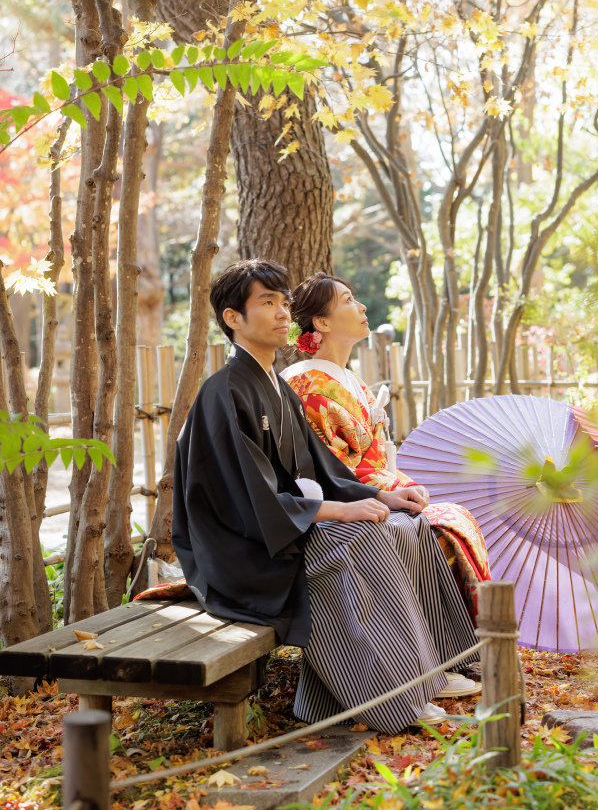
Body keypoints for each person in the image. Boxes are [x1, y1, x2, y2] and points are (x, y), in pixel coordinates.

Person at [172, 259, 478, 732]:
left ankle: (432, 669)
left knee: (408, 525)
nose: (282, 313)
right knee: (358, 539)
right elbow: (246, 498)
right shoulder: (225, 392)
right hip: (241, 549)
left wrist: (380, 497)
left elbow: (322, 467)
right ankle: (393, 697)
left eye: (284, 302)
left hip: (280, 526)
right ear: (233, 318)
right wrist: (340, 509)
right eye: (267, 303)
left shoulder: (277, 387)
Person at [282, 272, 491, 633]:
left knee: (452, 517)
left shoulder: (347, 379)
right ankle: (437, 643)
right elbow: (332, 470)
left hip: (369, 491)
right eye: (348, 300)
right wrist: (390, 490)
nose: (362, 307)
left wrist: (404, 485)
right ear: (322, 323)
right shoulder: (308, 384)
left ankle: (448, 643)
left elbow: (374, 457)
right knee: (442, 527)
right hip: (336, 504)